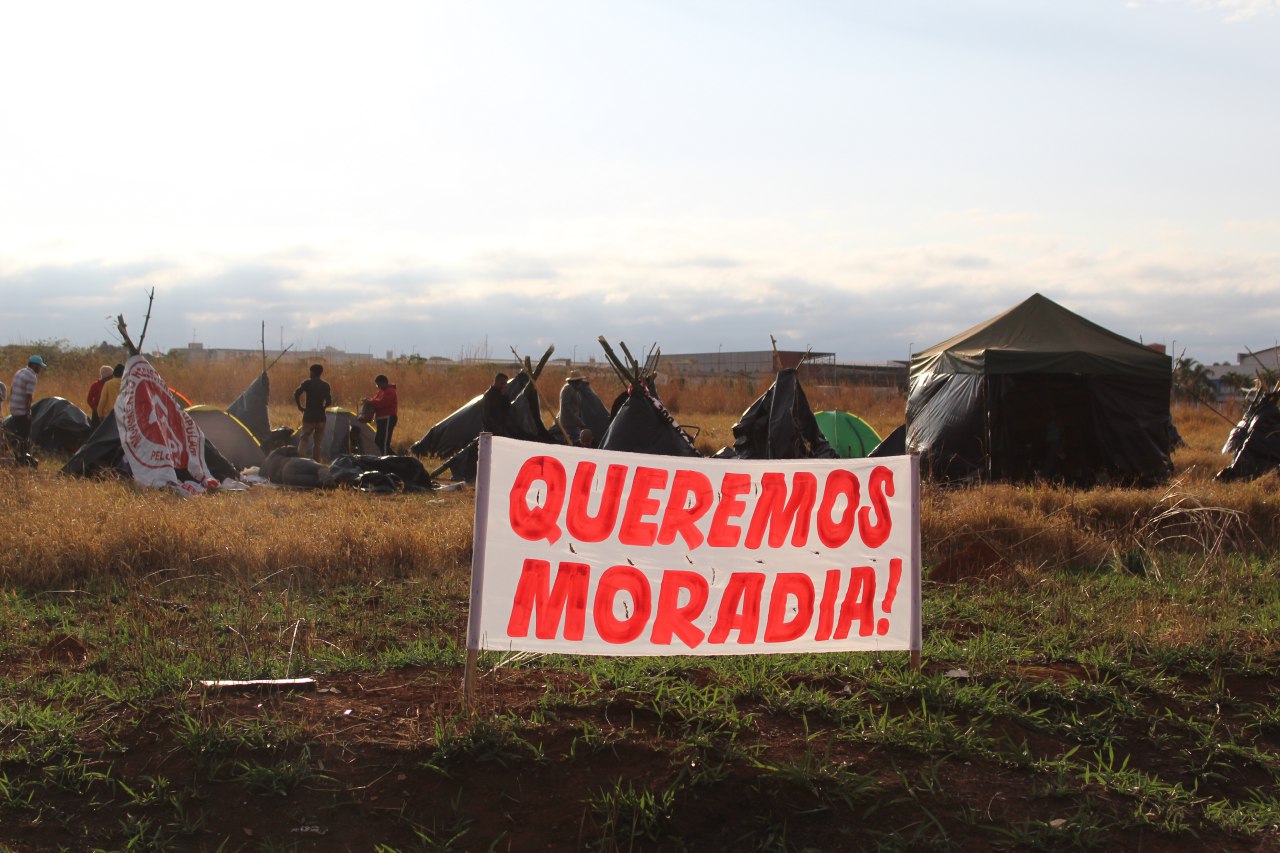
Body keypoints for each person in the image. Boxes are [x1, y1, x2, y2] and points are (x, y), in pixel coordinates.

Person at [8, 355, 45, 459]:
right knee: (24, 436)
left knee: (17, 434)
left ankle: (16, 454)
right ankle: (22, 458)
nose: (40, 369)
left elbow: (12, 389)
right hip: (21, 411)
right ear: (34, 365)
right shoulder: (32, 376)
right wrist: (28, 412)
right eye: (39, 366)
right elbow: (28, 396)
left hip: (14, 409)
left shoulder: (20, 372)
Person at [293, 364, 332, 463]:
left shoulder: (308, 383)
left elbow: (296, 393)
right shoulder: (325, 385)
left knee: (304, 439)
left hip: (309, 416)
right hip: (321, 417)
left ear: (313, 372)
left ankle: (301, 460)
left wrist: (300, 406)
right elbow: (328, 401)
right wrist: (323, 408)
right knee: (318, 443)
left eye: (310, 372)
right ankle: (316, 462)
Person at [365, 374, 399, 455]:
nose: (377, 386)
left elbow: (383, 403)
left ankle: (385, 460)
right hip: (381, 419)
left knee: (384, 443)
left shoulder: (390, 391)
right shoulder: (381, 391)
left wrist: (371, 402)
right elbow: (375, 399)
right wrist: (368, 401)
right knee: (378, 441)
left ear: (383, 383)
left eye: (378, 384)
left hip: (388, 418)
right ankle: (395, 458)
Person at [558, 371, 588, 444]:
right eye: (579, 381)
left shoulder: (574, 390)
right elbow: (566, 407)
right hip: (568, 424)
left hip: (573, 424)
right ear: (575, 381)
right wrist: (578, 421)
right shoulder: (568, 389)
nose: (580, 383)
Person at [481, 372, 511, 437]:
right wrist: (496, 428)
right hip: (490, 431)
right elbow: (487, 416)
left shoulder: (502, 394)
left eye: (505, 384)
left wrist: (505, 396)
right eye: (502, 383)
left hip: (501, 429)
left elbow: (507, 409)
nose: (504, 385)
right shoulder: (489, 395)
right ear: (496, 382)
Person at [87, 365, 112, 430]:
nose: (112, 377)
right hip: (97, 414)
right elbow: (89, 400)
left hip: (109, 412)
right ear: (107, 377)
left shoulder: (111, 384)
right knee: (96, 431)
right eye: (111, 376)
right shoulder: (95, 385)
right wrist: (96, 410)